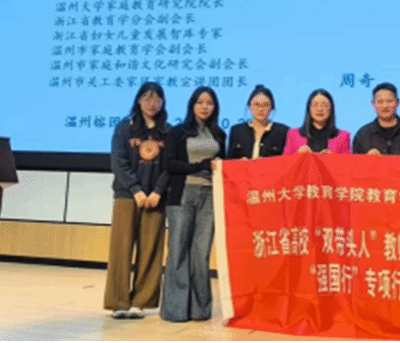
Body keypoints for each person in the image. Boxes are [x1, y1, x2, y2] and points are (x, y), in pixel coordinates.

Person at [104, 82, 170, 319]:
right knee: (121, 248)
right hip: (127, 195)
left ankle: (141, 302)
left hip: (155, 198)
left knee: (151, 249)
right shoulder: (125, 127)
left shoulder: (167, 131)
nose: (152, 103)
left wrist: (158, 191)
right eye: (147, 98)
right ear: (138, 100)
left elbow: (169, 165)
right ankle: (118, 301)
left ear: (163, 102)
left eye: (157, 99)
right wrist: (136, 190)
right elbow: (118, 161)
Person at [161, 86, 226, 322]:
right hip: (183, 193)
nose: (205, 106)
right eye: (200, 102)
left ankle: (200, 309)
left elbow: (221, 165)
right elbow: (169, 163)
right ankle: (176, 310)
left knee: (201, 252)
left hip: (210, 195)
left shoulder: (219, 134)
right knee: (178, 250)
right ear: (192, 104)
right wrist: (200, 166)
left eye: (209, 103)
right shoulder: (178, 131)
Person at [352, 82, 400, 155]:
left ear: (398, 102)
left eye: (389, 101)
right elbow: (354, 161)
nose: (385, 106)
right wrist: (366, 159)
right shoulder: (362, 135)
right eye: (380, 102)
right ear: (373, 104)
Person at [228, 84, 289, 159]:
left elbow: (286, 161)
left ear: (272, 108)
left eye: (265, 105)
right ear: (249, 106)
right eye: (256, 105)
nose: (260, 109)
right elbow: (229, 160)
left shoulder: (283, 132)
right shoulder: (237, 131)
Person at [283, 88, 350, 154]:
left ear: (331, 109)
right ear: (309, 109)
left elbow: (347, 161)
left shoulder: (343, 137)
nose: (319, 109)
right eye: (315, 105)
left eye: (324, 105)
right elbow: (285, 160)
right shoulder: (293, 135)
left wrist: (333, 158)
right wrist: (298, 155)